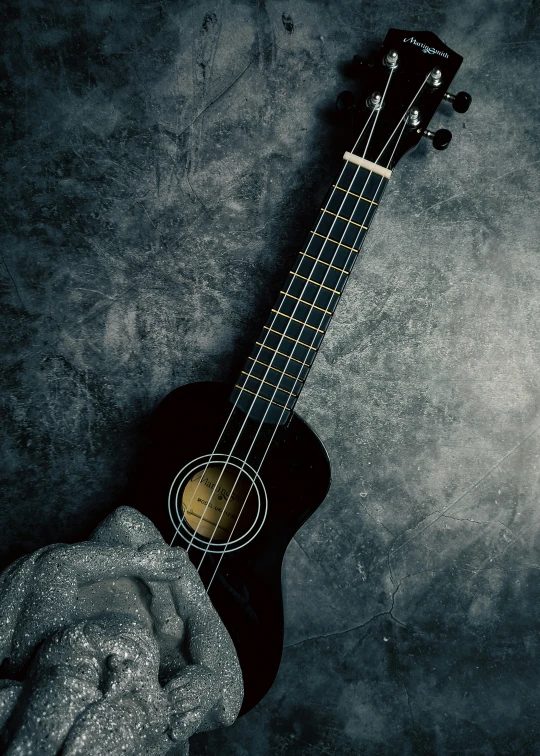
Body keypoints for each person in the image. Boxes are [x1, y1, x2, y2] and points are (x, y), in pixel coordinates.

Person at [0, 506, 243, 755]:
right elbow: (227, 706)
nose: (120, 671)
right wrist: (208, 683)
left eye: (84, 672)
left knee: (125, 524)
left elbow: (58, 565)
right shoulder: (166, 723)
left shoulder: (31, 643)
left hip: (108, 573)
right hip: (164, 617)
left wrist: (138, 562)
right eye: (131, 702)